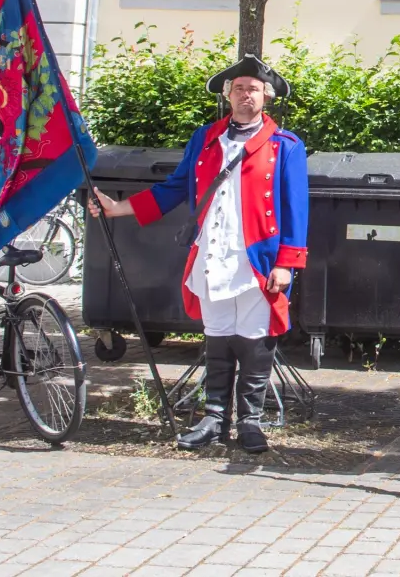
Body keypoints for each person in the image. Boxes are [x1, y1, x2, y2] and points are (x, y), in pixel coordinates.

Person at [88, 54, 308, 454]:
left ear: (266, 97)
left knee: (255, 341)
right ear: (228, 95)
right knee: (219, 338)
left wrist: (287, 264)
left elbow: (296, 207)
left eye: (253, 90)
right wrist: (118, 208)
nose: (246, 96)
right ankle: (213, 418)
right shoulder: (205, 139)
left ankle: (251, 423)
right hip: (212, 255)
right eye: (239, 89)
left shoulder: (286, 147)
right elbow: (174, 189)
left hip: (257, 260)